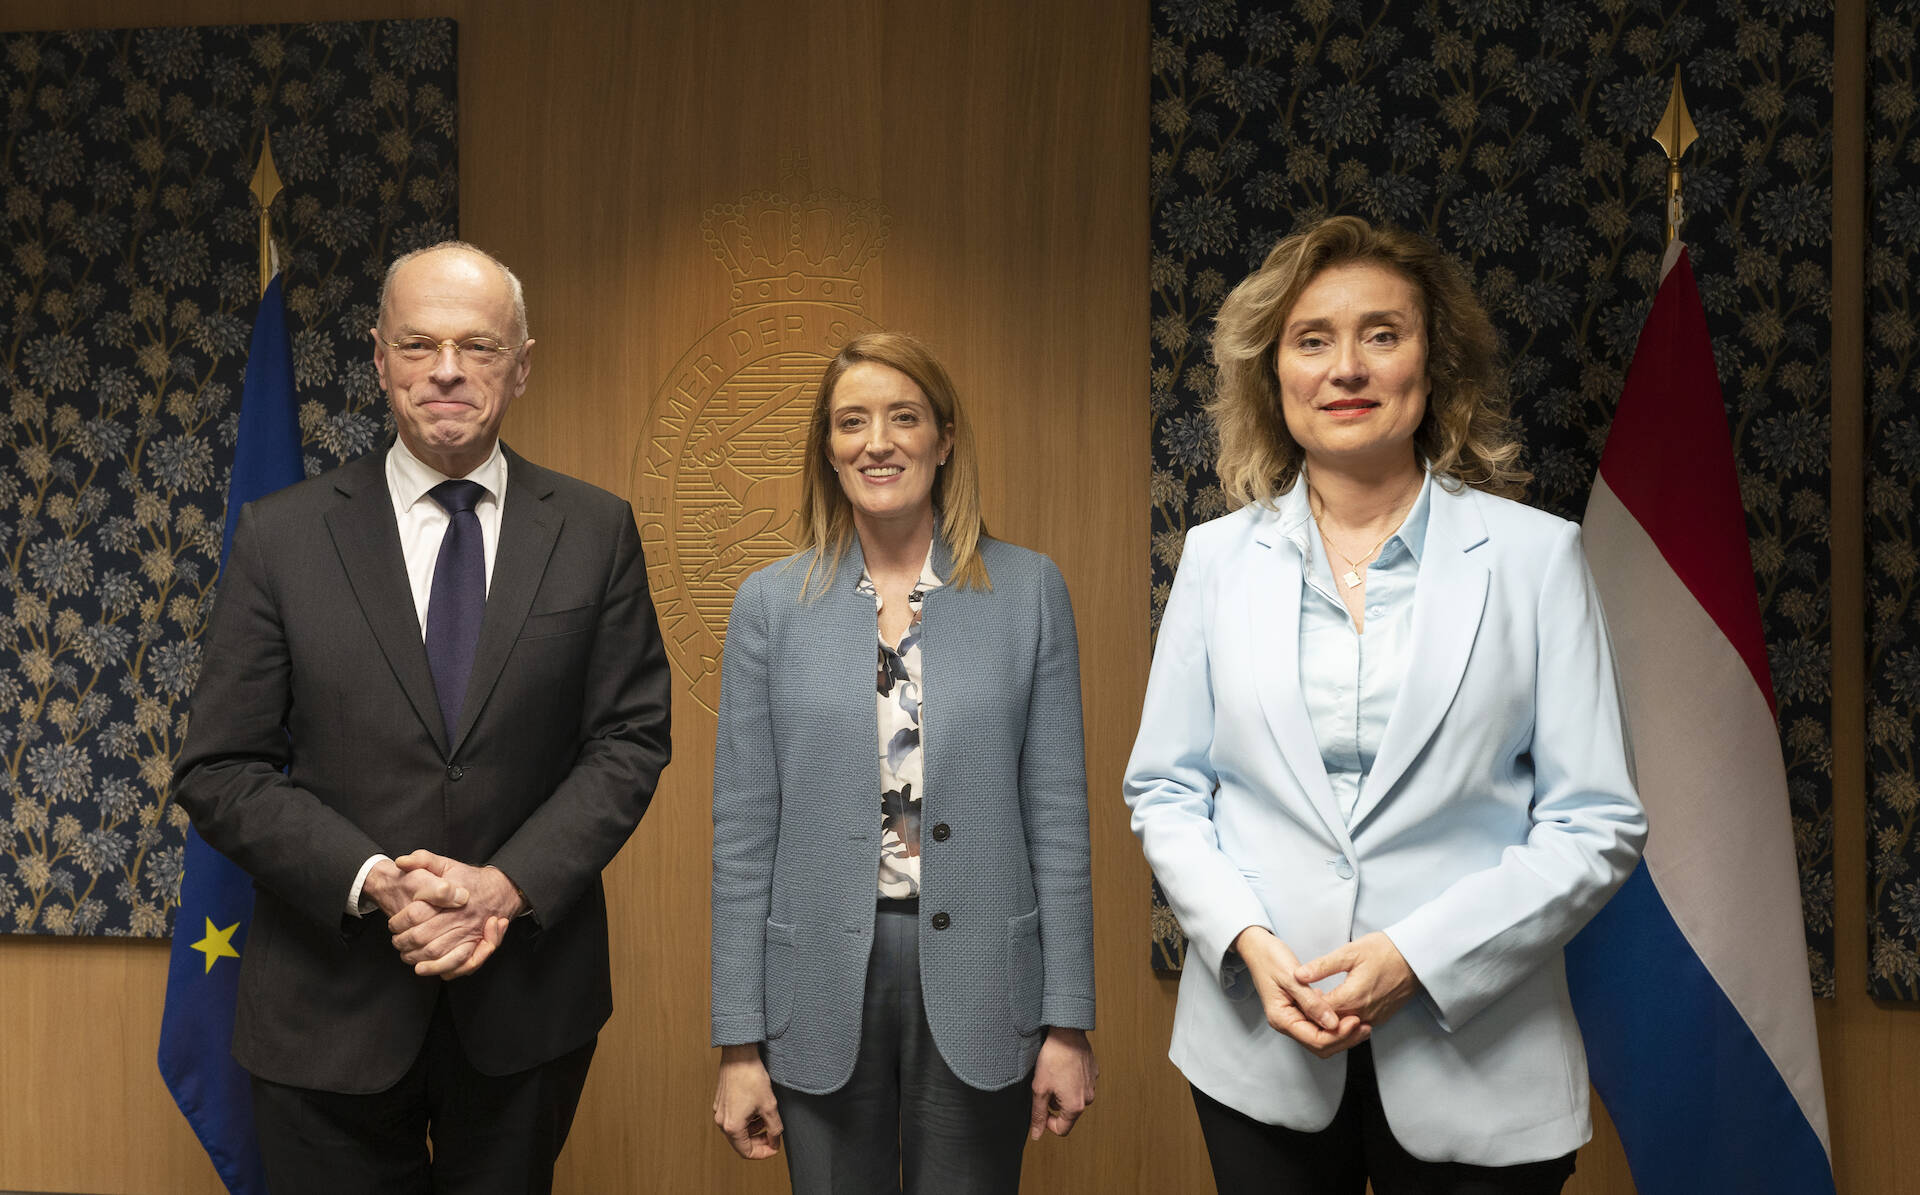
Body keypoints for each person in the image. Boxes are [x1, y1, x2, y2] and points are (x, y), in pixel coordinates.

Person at [1123, 216, 1647, 1194]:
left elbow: (1597, 822)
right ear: (1273, 375)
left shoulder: (1538, 560)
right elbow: (1165, 789)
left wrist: (1418, 956)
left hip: (1484, 1054)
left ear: (1430, 362)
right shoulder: (1215, 560)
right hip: (1259, 1049)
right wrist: (1246, 937)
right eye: (1312, 338)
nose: (1346, 367)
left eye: (1382, 333)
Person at [173, 241, 672, 1193]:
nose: (447, 369)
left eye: (478, 346)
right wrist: (374, 880)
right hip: (325, 1002)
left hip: (527, 1001)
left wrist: (505, 885)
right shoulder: (283, 536)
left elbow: (631, 737)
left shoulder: (596, 530)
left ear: (522, 365)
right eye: (419, 344)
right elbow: (221, 766)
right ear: (379, 359)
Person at [709, 332, 1097, 1194]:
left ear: (944, 438)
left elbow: (1060, 820)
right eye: (853, 422)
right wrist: (738, 1039)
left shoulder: (1029, 590)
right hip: (816, 977)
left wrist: (1068, 1022)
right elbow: (742, 833)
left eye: (903, 417)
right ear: (829, 449)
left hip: (984, 975)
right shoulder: (771, 605)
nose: (877, 441)